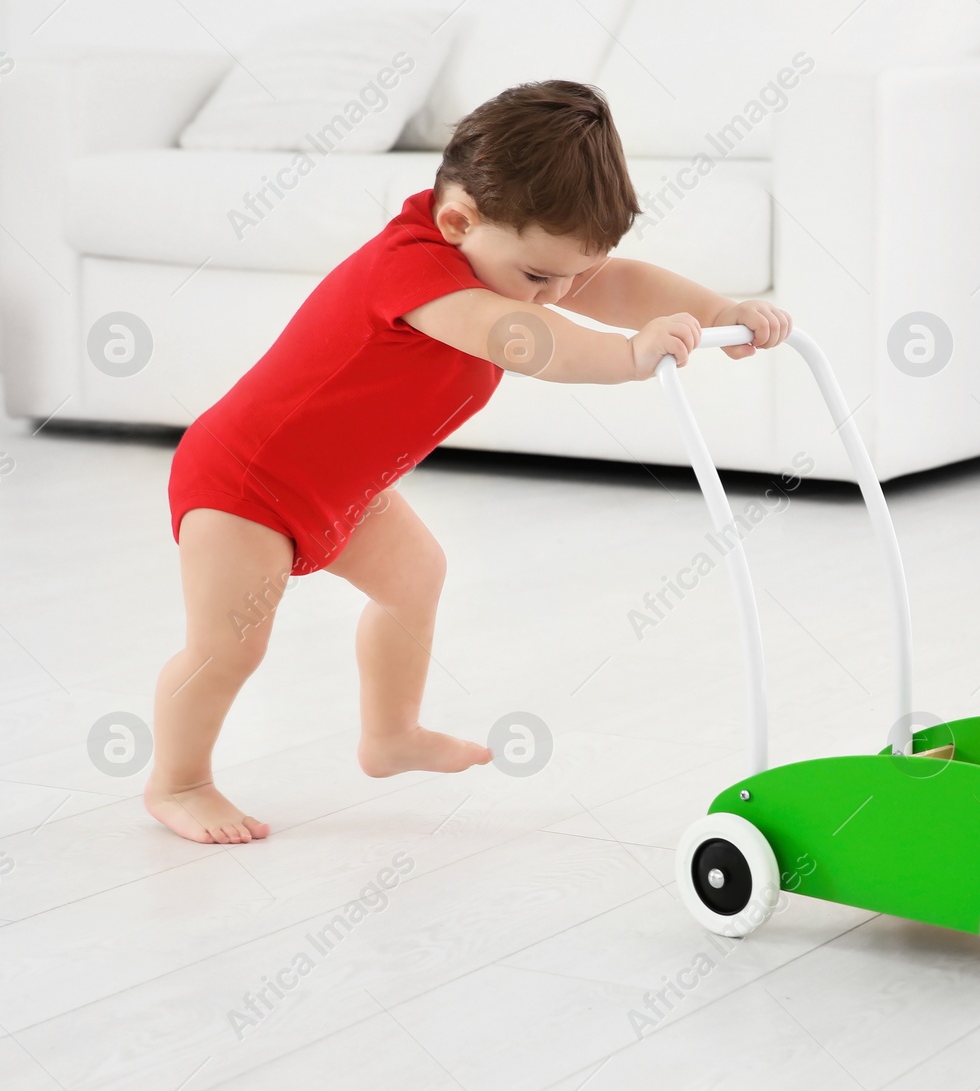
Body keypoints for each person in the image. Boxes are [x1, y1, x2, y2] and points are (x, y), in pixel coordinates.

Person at [148, 80, 792, 844]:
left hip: (343, 491)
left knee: (416, 576)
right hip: (247, 481)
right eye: (538, 278)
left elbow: (616, 281)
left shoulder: (513, 253)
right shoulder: (413, 271)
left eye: (569, 275)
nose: (556, 293)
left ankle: (391, 735)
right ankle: (179, 781)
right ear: (458, 220)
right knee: (230, 644)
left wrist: (723, 313)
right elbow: (521, 337)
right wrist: (628, 354)